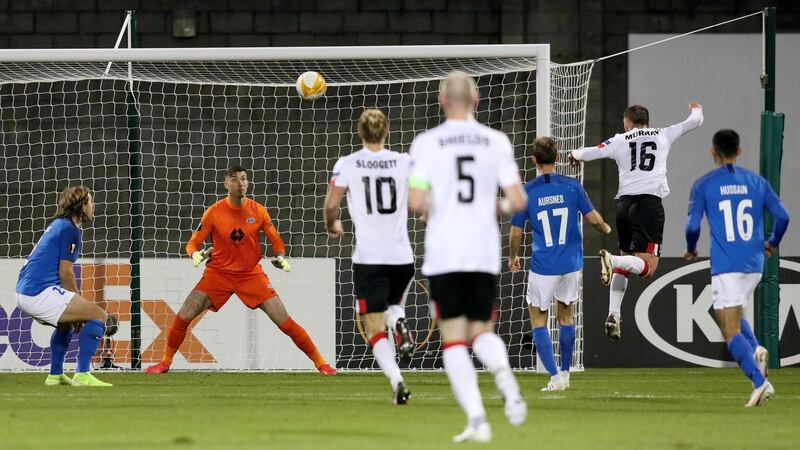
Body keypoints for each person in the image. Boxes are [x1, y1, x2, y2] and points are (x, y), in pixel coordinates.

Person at [408, 71, 528, 443]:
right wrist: (492, 206)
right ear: (477, 99)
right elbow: (518, 201)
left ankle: (477, 419)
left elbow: (415, 203)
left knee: (454, 340)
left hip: (445, 253)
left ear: (442, 101)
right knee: (481, 331)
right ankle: (505, 381)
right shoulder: (496, 141)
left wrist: (433, 206)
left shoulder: (426, 143)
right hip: (482, 253)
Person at [145, 165, 336, 375]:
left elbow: (277, 242)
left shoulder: (258, 211)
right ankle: (165, 362)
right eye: (235, 179)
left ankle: (321, 363)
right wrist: (195, 255)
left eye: (244, 179)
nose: (240, 184)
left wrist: (280, 257)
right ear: (226, 183)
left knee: (285, 322)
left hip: (251, 275)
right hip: (218, 274)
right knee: (183, 315)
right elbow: (192, 243)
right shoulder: (214, 212)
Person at [569, 101, 704, 340]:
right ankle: (610, 259)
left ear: (627, 122)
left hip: (623, 205)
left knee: (626, 262)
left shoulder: (620, 139)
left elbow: (593, 151)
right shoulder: (663, 134)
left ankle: (614, 314)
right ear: (647, 122)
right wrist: (696, 109)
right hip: (648, 205)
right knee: (648, 267)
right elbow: (695, 121)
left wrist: (575, 154)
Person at [684, 129, 788, 407]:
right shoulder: (757, 182)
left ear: (713, 152)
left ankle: (759, 381)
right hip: (754, 264)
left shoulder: (704, 184)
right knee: (725, 312)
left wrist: (692, 247)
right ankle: (756, 349)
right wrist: (772, 242)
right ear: (739, 151)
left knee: (728, 330)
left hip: (727, 265)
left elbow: (693, 225)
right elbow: (783, 216)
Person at [324, 108, 415, 404]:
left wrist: (332, 224)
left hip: (369, 257)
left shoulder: (347, 164)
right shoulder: (405, 162)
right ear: (387, 131)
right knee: (392, 306)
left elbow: (330, 205)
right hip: (402, 256)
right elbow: (422, 196)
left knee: (374, 327)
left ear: (359, 131)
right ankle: (399, 321)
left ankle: (397, 380)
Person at [508, 137, 611, 391]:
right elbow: (593, 218)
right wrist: (606, 228)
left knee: (538, 319)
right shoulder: (572, 186)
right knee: (566, 315)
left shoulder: (527, 191)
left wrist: (512, 256)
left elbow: (515, 232)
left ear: (533, 159)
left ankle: (555, 377)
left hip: (544, 266)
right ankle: (565, 372)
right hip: (570, 264)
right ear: (557, 157)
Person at [15, 186, 112, 386]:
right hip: (38, 291)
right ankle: (83, 374)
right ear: (82, 206)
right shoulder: (70, 229)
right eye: (90, 202)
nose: (93, 206)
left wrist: (74, 306)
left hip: (26, 290)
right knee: (98, 315)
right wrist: (77, 301)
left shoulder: (59, 224)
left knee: (65, 325)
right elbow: (65, 272)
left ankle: (55, 375)